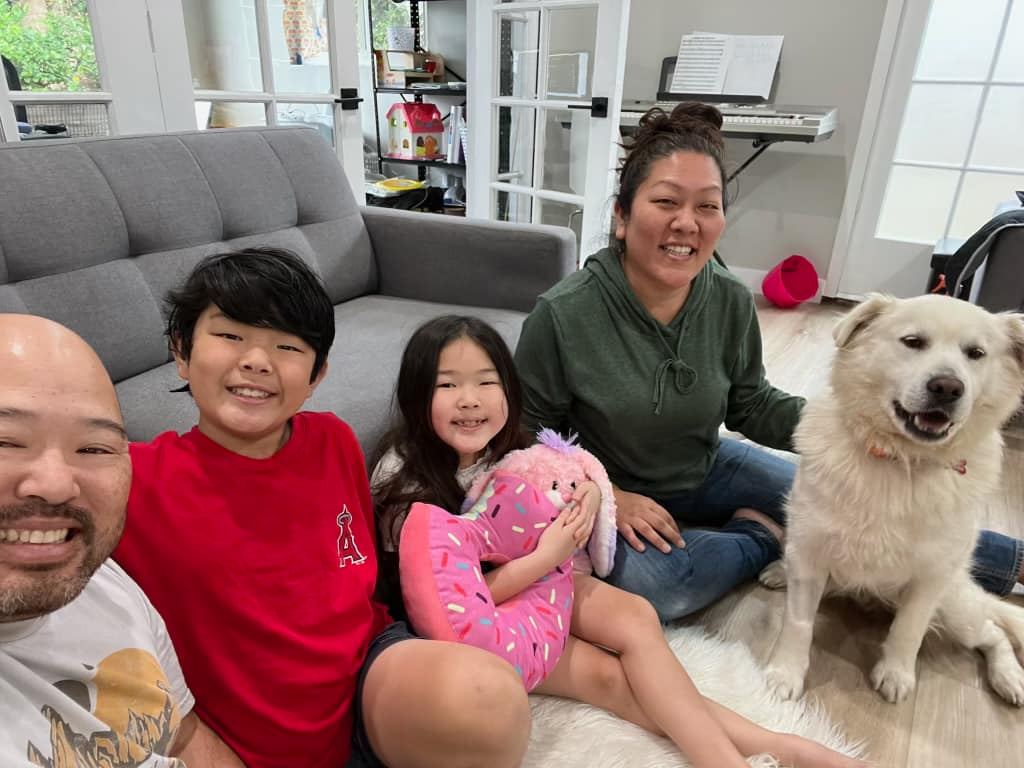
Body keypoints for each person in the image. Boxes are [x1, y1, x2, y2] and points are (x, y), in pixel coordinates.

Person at [513, 102, 1024, 623]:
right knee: (659, 591)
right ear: (621, 217)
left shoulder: (730, 297)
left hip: (706, 464)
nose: (686, 223)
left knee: (865, 504)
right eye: (665, 201)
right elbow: (528, 436)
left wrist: (853, 427)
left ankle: (1016, 563)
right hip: (611, 489)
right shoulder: (563, 315)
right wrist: (610, 493)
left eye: (707, 207)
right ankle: (761, 535)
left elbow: (750, 404)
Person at [372, 314, 866, 768]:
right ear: (417, 396)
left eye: (486, 382)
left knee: (636, 616)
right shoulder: (404, 479)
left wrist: (587, 494)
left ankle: (783, 746)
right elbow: (434, 606)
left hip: (540, 586)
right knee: (608, 679)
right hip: (477, 623)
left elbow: (562, 482)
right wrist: (548, 556)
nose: (470, 399)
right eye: (447, 385)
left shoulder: (511, 451)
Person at [113, 249, 530, 768]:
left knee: (487, 697)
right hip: (254, 741)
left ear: (316, 374)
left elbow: (361, 575)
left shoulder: (332, 439)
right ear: (182, 351)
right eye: (230, 335)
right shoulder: (132, 479)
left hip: (369, 682)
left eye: (287, 346)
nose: (257, 361)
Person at [0, 314, 241, 767]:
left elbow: (182, 736)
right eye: (5, 441)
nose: (55, 484)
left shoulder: (101, 579)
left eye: (93, 448)